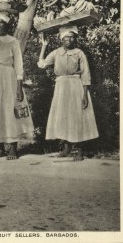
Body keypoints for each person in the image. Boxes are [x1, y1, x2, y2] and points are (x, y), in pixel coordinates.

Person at [37, 25, 99, 161]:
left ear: (75, 39)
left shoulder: (79, 53)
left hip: (76, 86)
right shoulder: (56, 53)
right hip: (61, 87)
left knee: (77, 116)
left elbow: (86, 74)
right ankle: (66, 147)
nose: (69, 40)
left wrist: (85, 94)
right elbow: (41, 64)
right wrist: (44, 46)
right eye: (66, 37)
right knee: (63, 115)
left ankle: (79, 150)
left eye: (72, 37)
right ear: (61, 39)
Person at [0, 12, 34, 160]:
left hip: (8, 77)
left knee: (11, 109)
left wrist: (19, 86)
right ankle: (0, 147)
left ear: (6, 23)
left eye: (0, 22)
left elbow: (18, 65)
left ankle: (13, 148)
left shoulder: (13, 41)